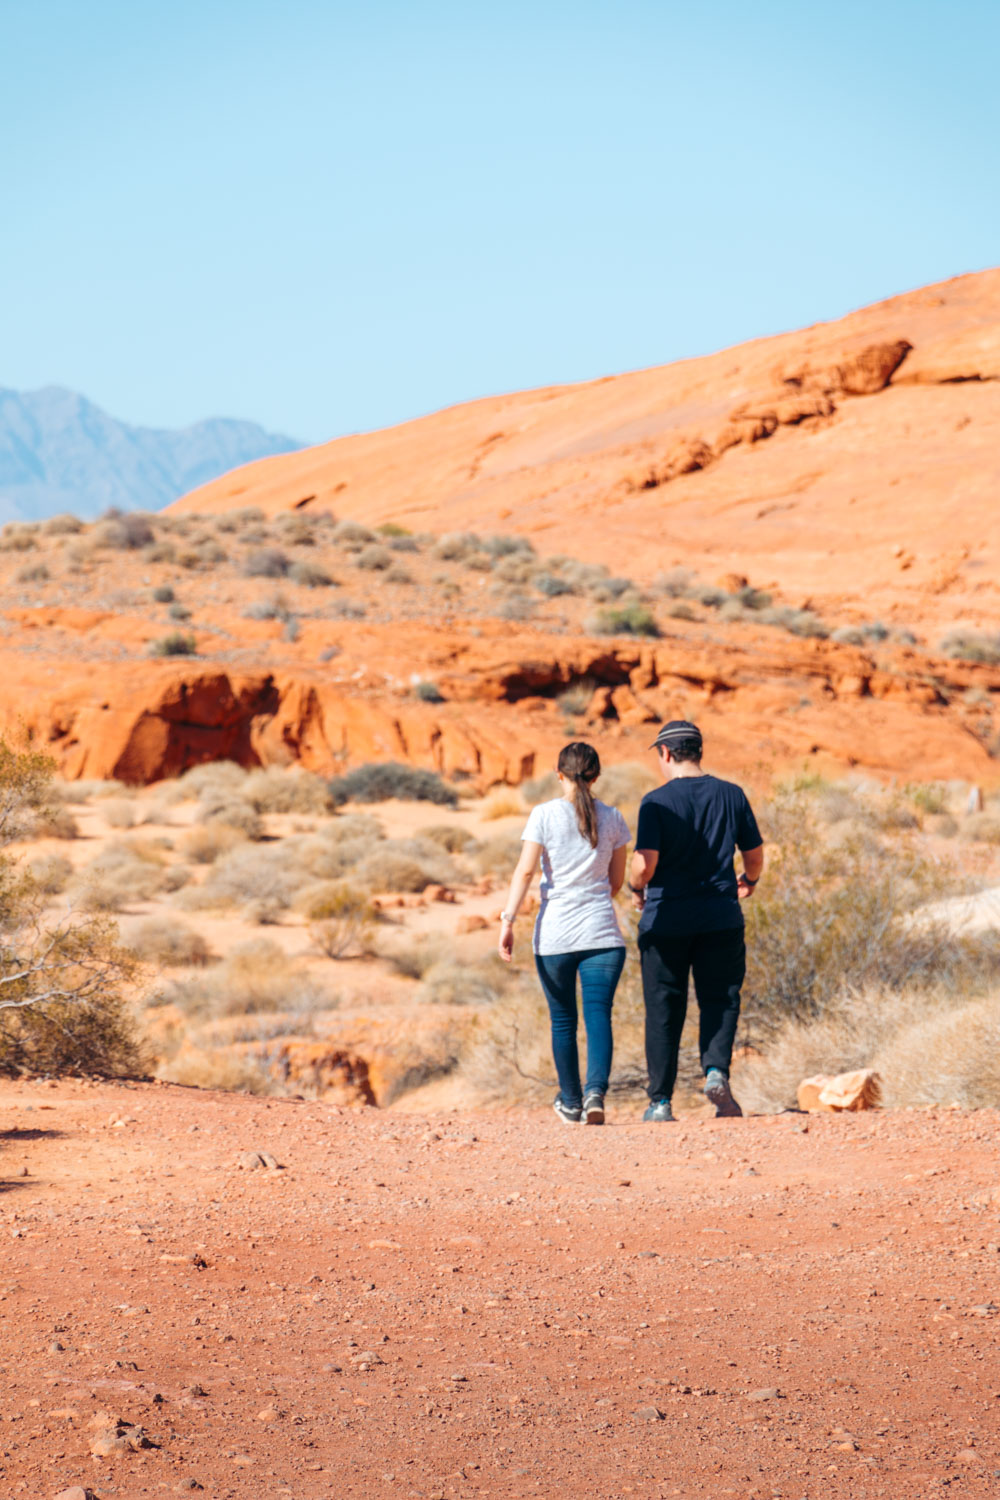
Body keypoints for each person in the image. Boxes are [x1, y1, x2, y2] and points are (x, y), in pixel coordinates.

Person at [629, 720, 764, 1122]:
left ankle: (660, 1102)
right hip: (720, 916)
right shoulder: (732, 794)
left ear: (667, 754)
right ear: (698, 751)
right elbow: (753, 855)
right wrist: (749, 880)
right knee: (720, 999)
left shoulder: (655, 802)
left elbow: (644, 865)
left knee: (663, 1008)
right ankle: (715, 1071)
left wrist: (636, 888)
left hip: (666, 920)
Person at [499, 741, 631, 1124]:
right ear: (596, 776)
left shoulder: (543, 815)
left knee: (563, 1021)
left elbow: (525, 872)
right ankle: (594, 1096)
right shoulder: (614, 818)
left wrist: (507, 921)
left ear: (559, 774)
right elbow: (616, 881)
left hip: (555, 936)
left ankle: (570, 1102)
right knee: (599, 1017)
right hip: (603, 936)